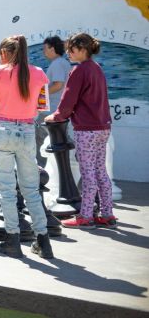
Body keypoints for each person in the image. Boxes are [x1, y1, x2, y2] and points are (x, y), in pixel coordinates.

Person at [0, 35, 53, 259]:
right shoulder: (39, 73)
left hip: (3, 131)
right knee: (31, 190)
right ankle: (43, 241)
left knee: (6, 189)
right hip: (26, 131)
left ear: (6, 52)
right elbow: (41, 106)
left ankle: (12, 241)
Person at [45, 33, 115, 229]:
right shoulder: (97, 69)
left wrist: (57, 116)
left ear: (83, 50)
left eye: (72, 49)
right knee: (101, 171)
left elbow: (68, 100)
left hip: (86, 129)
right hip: (103, 126)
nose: (68, 53)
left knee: (88, 171)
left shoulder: (79, 71)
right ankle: (107, 214)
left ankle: (85, 215)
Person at [35, 36, 71, 163]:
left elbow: (58, 84)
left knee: (41, 142)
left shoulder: (57, 64)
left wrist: (38, 94)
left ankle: (42, 174)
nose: (43, 51)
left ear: (52, 48)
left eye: (45, 48)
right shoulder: (63, 63)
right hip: (57, 110)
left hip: (51, 111)